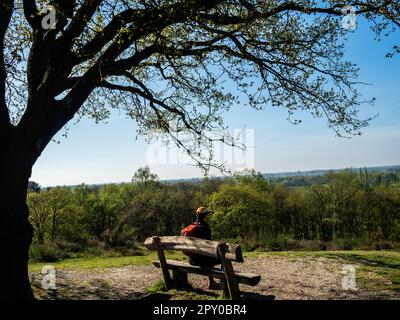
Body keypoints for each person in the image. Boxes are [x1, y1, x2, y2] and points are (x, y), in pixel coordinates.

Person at [181, 207, 220, 290]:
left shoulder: (193, 225)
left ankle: (212, 281)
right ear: (204, 216)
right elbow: (210, 245)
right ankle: (219, 282)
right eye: (207, 215)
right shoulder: (204, 227)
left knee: (206, 256)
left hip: (191, 260)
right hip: (201, 260)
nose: (208, 216)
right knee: (223, 259)